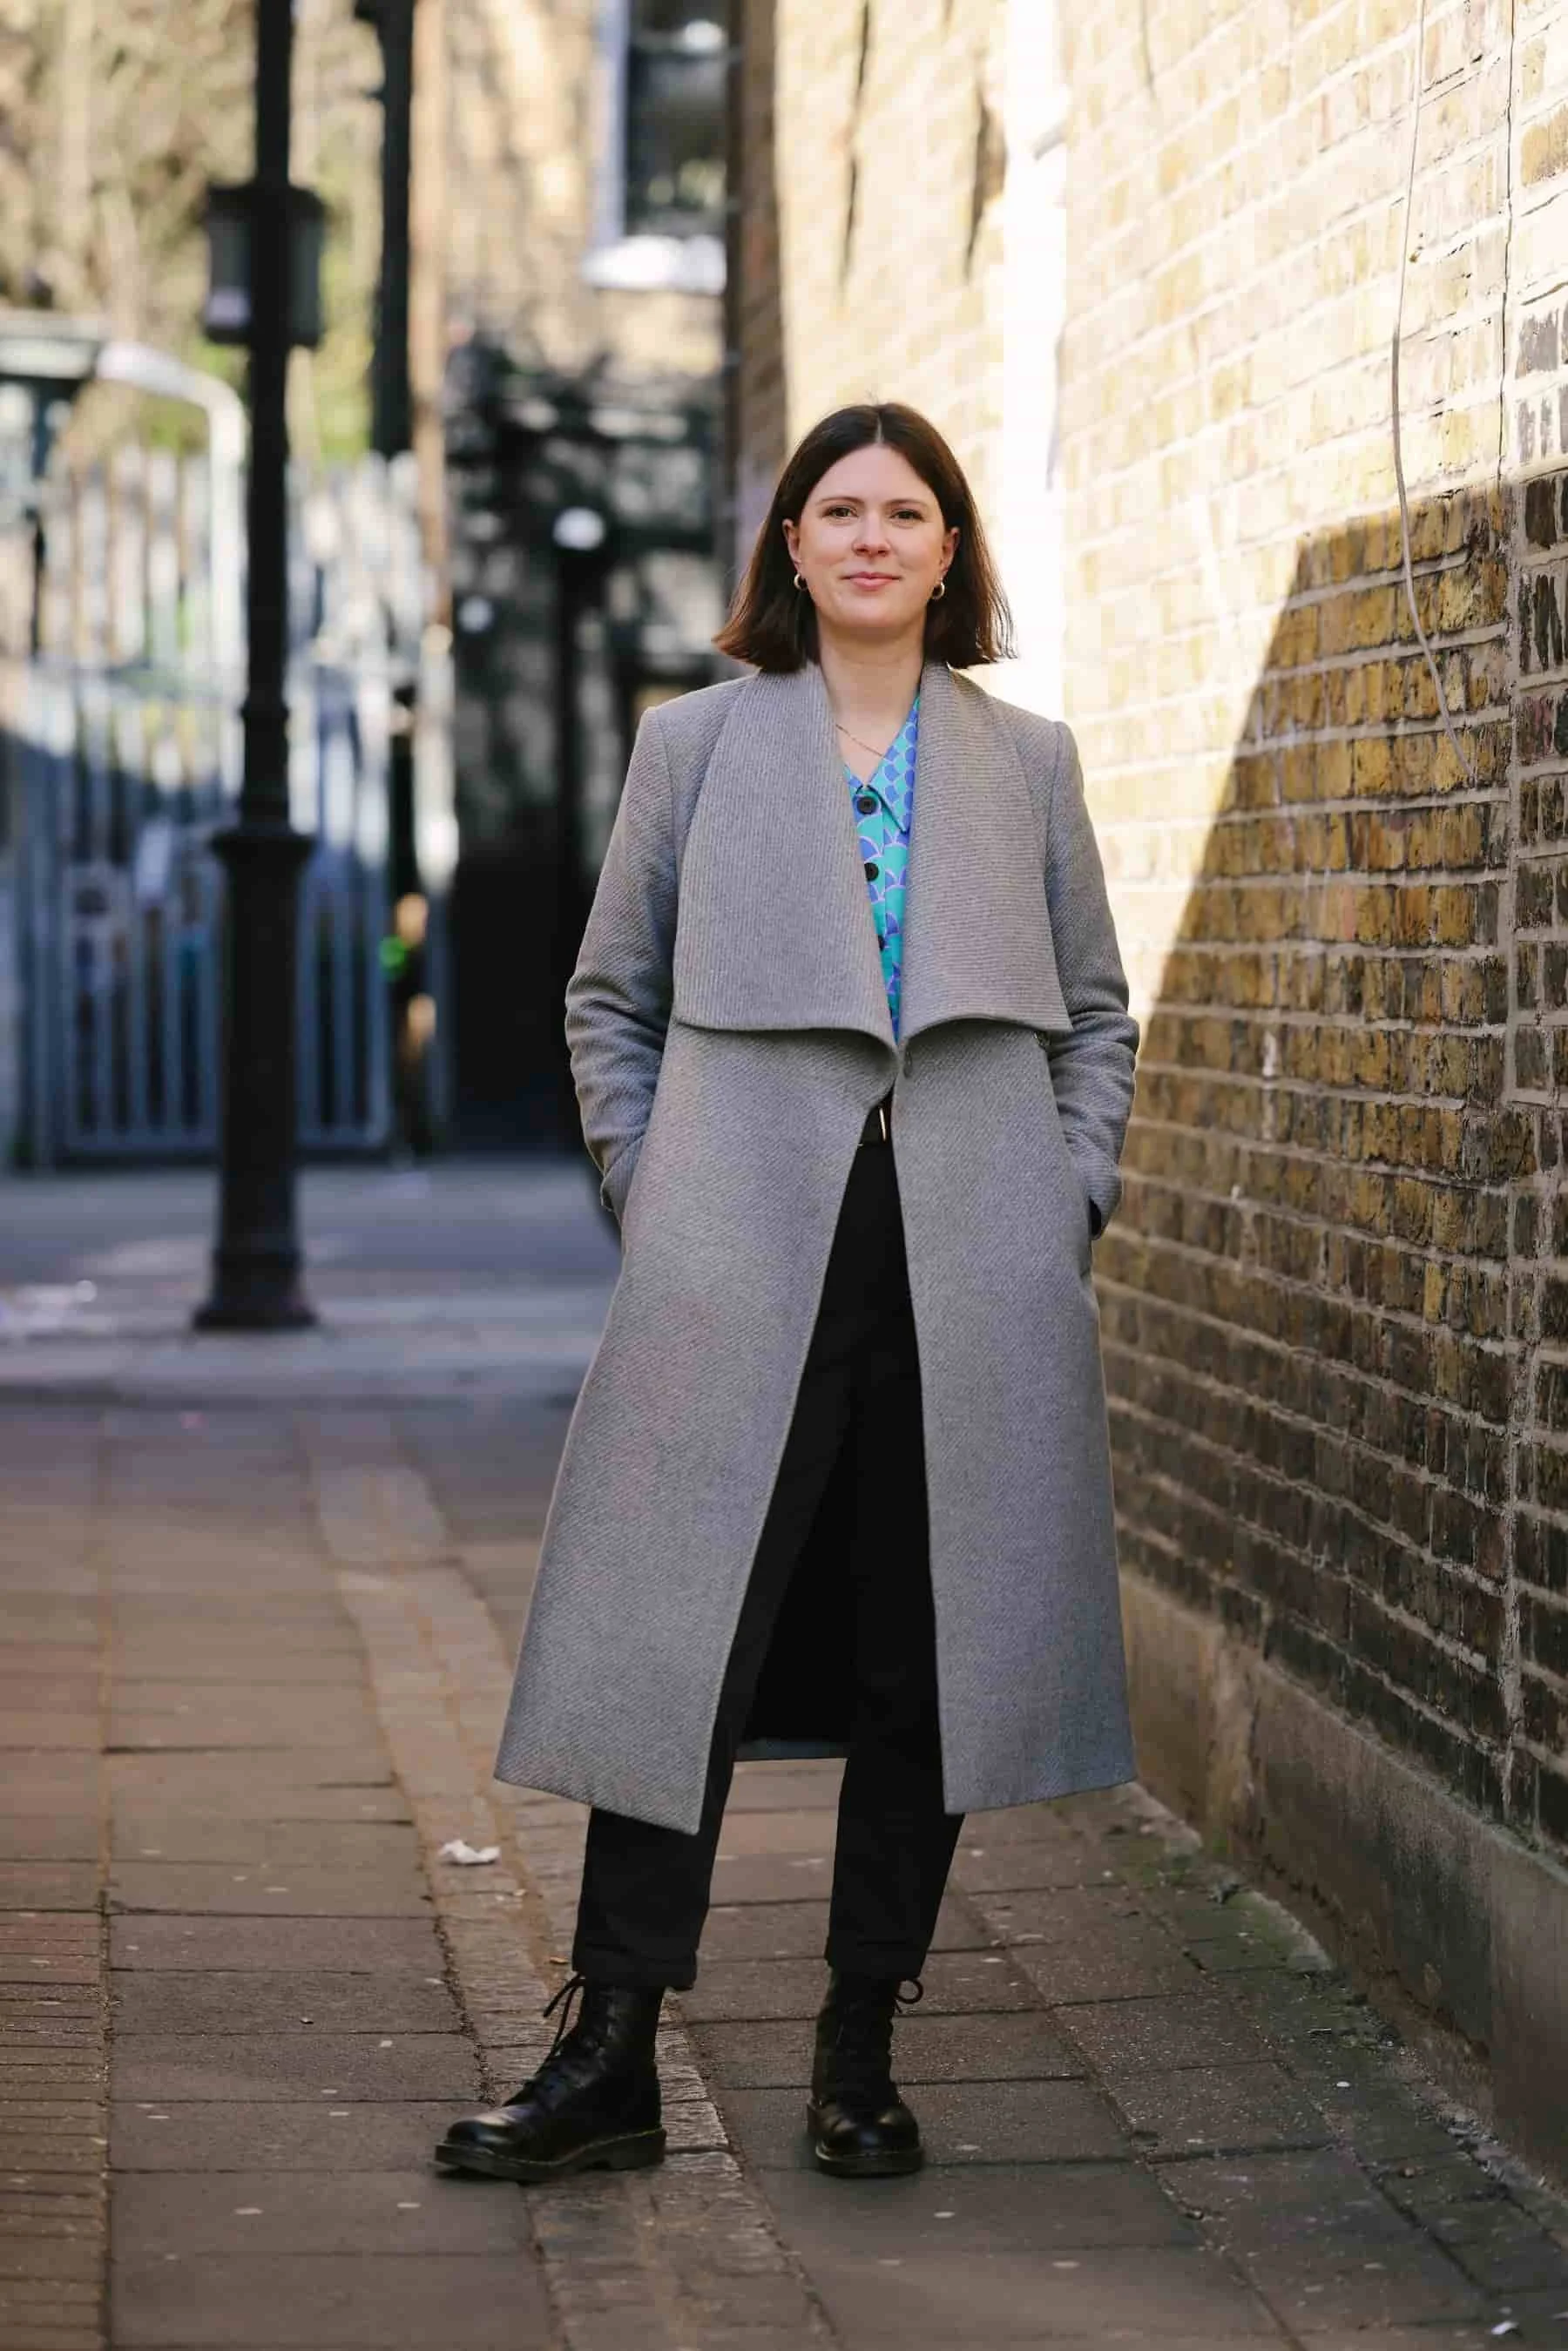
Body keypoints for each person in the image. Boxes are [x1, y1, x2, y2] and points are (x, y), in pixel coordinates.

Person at [436, 402, 1139, 2186]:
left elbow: (1096, 1012)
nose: (878, 537)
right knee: (681, 1638)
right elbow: (611, 995)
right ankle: (608, 2049)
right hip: (745, 1244)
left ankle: (861, 2048)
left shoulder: (1027, 760)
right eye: (844, 509)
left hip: (970, 1257)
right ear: (794, 546)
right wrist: (651, 1191)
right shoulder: (695, 745)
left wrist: (1065, 1198)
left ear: (953, 550)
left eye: (911, 511)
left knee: (931, 1650)